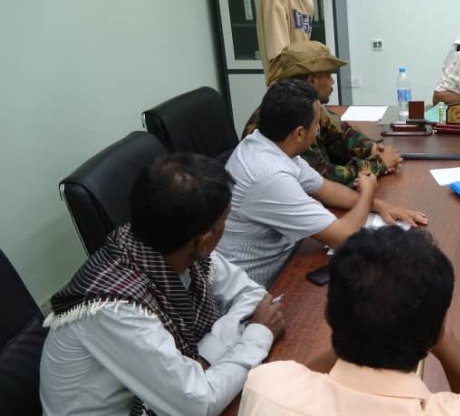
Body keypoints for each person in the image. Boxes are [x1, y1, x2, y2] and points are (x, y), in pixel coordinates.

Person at [39, 154, 284, 416]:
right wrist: (257, 334)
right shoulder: (116, 308)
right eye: (224, 221)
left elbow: (252, 296)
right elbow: (199, 405)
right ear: (204, 241)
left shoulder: (168, 242)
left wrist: (207, 355)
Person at [238, 226, 460, 415]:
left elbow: (300, 378)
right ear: (436, 331)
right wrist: (439, 333)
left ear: (330, 315)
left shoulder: (266, 387)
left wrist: (356, 328)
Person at [216, 79, 427, 286]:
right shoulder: (269, 176)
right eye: (317, 123)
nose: (318, 130)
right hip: (259, 286)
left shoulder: (270, 145)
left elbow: (326, 189)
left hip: (286, 257)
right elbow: (344, 238)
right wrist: (368, 193)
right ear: (300, 133)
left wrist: (381, 206)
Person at [245, 40, 402, 185]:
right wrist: (378, 164)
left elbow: (343, 132)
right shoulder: (287, 116)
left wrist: (372, 148)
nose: (332, 81)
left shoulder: (306, 105)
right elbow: (322, 177)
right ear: (312, 80)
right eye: (328, 75)